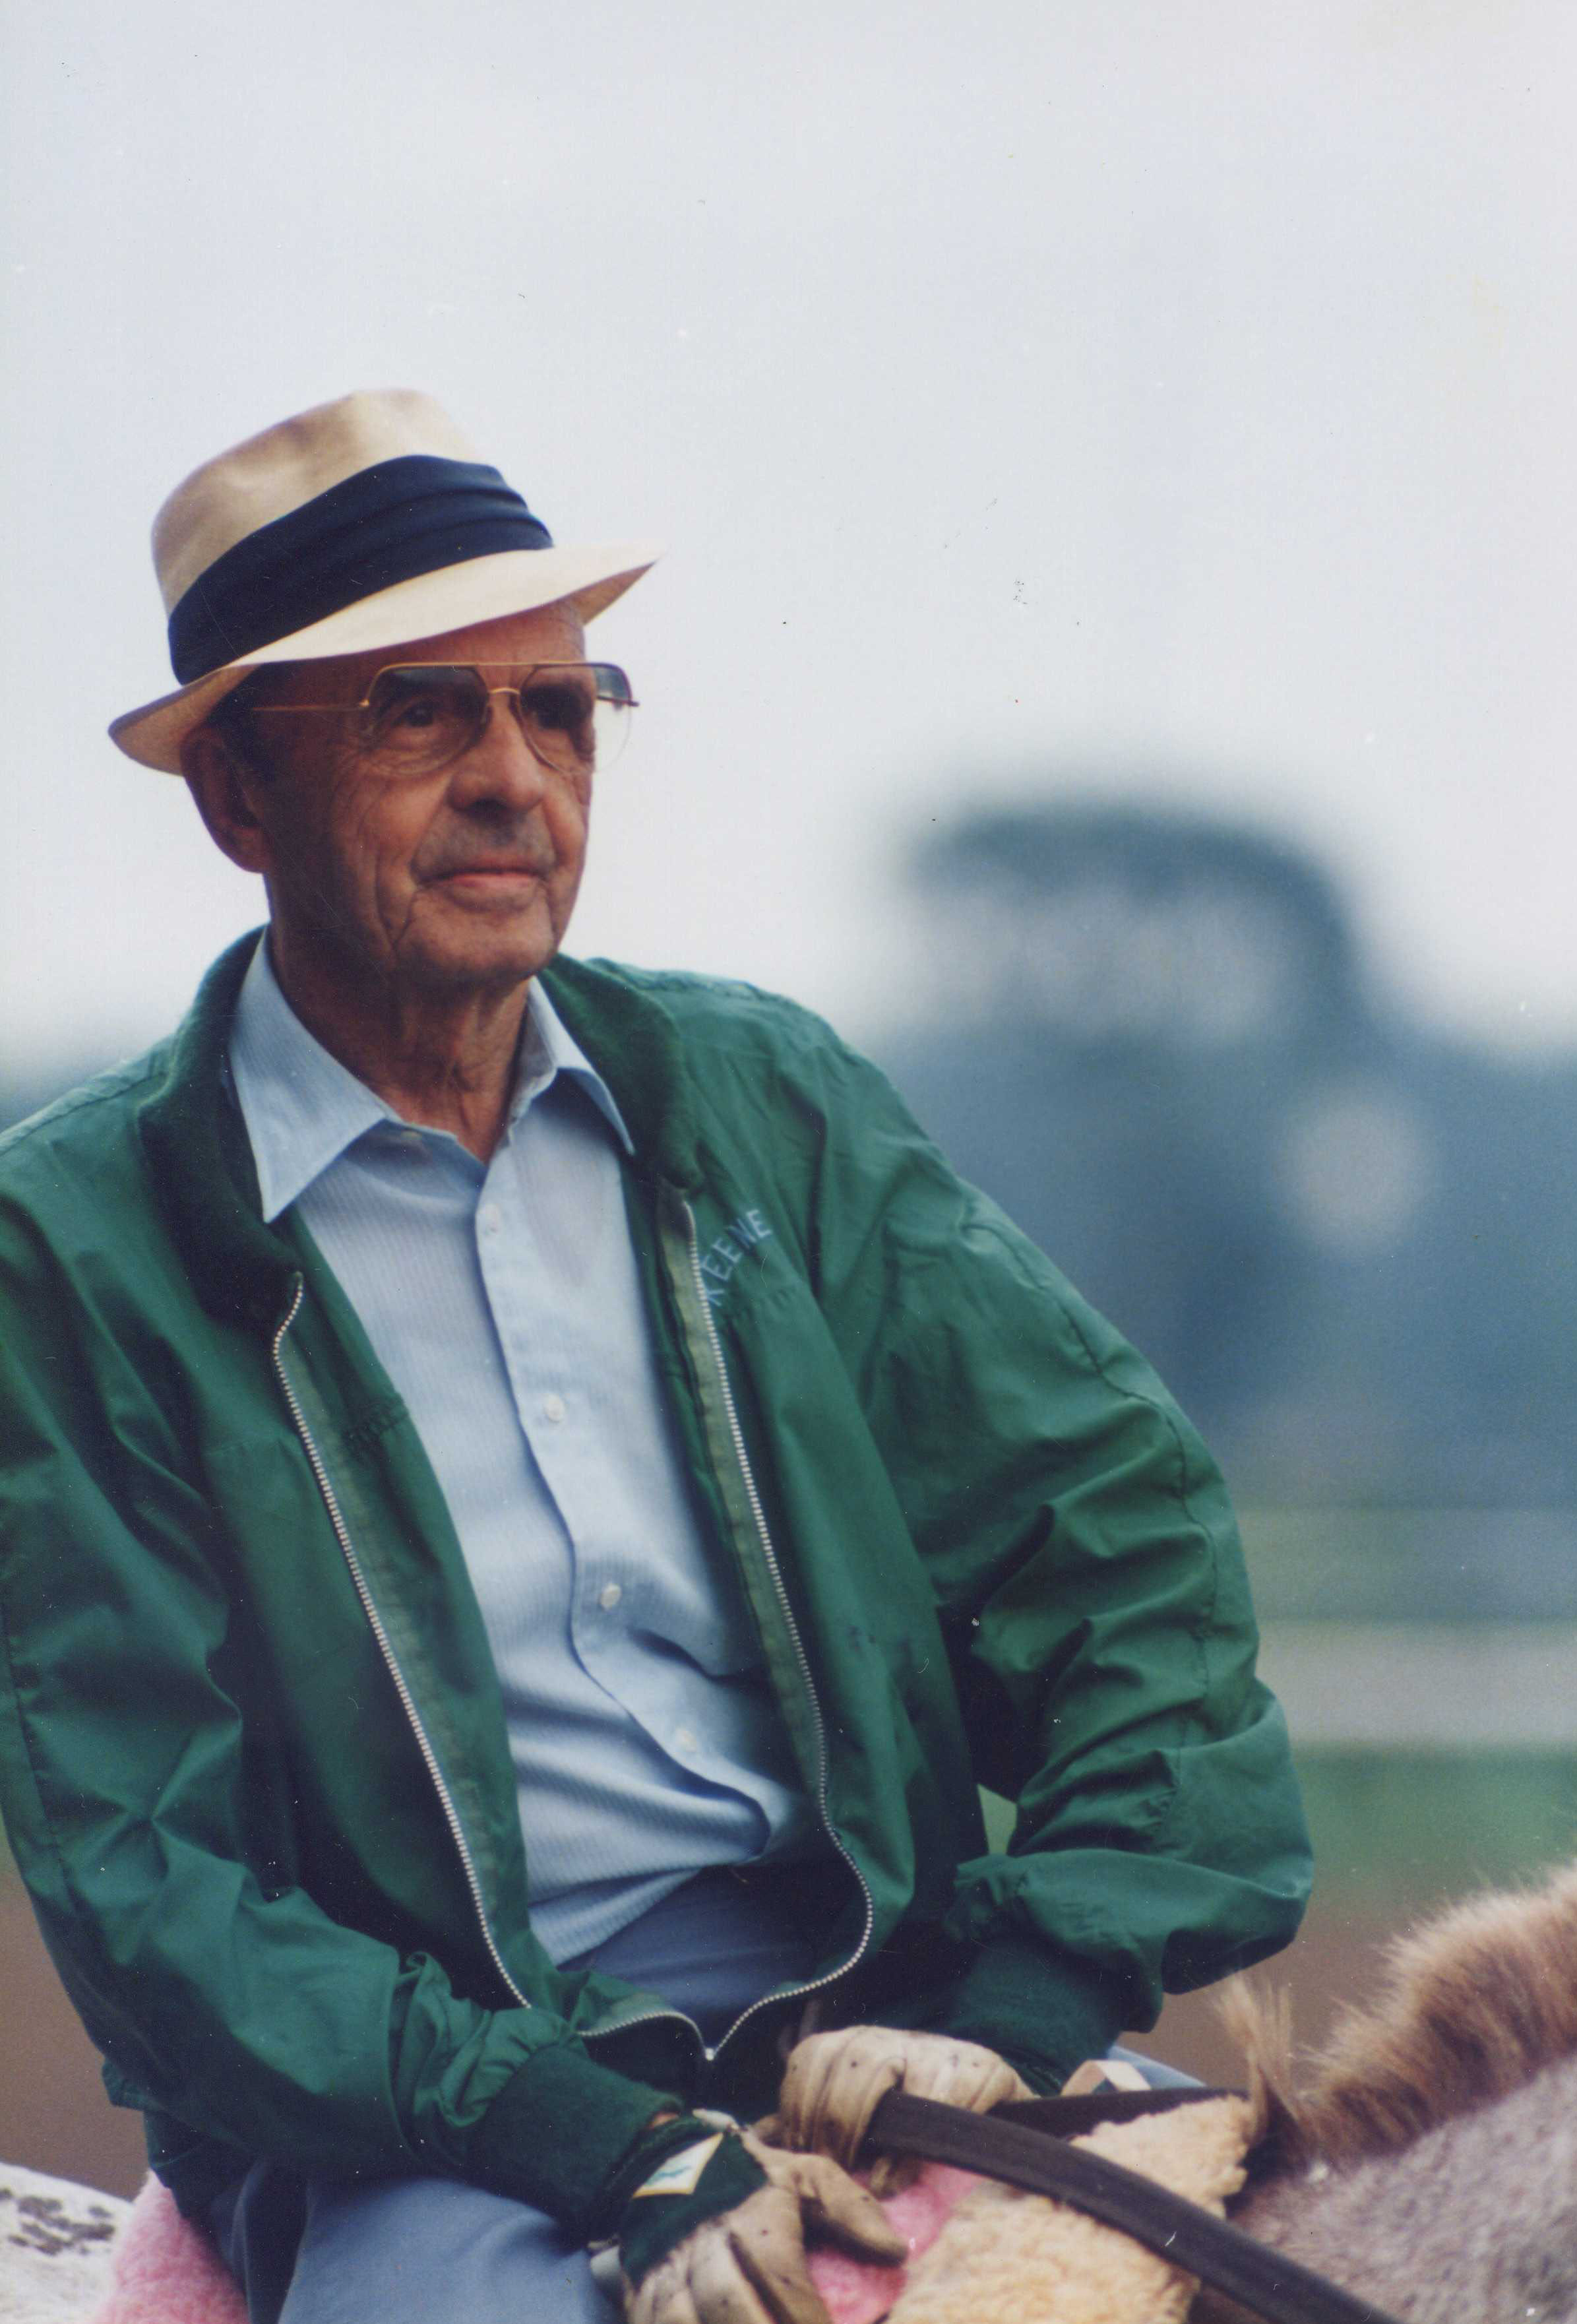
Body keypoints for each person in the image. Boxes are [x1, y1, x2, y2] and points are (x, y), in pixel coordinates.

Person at [0, 391, 1311, 2323]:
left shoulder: (763, 1100)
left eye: (559, 705)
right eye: (418, 713)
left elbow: (1125, 1554)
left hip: (894, 2030)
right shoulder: (78, 1240)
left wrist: (1020, 2008)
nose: (515, 779)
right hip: (431, 2123)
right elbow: (153, 1882)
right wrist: (589, 2138)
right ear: (239, 800)